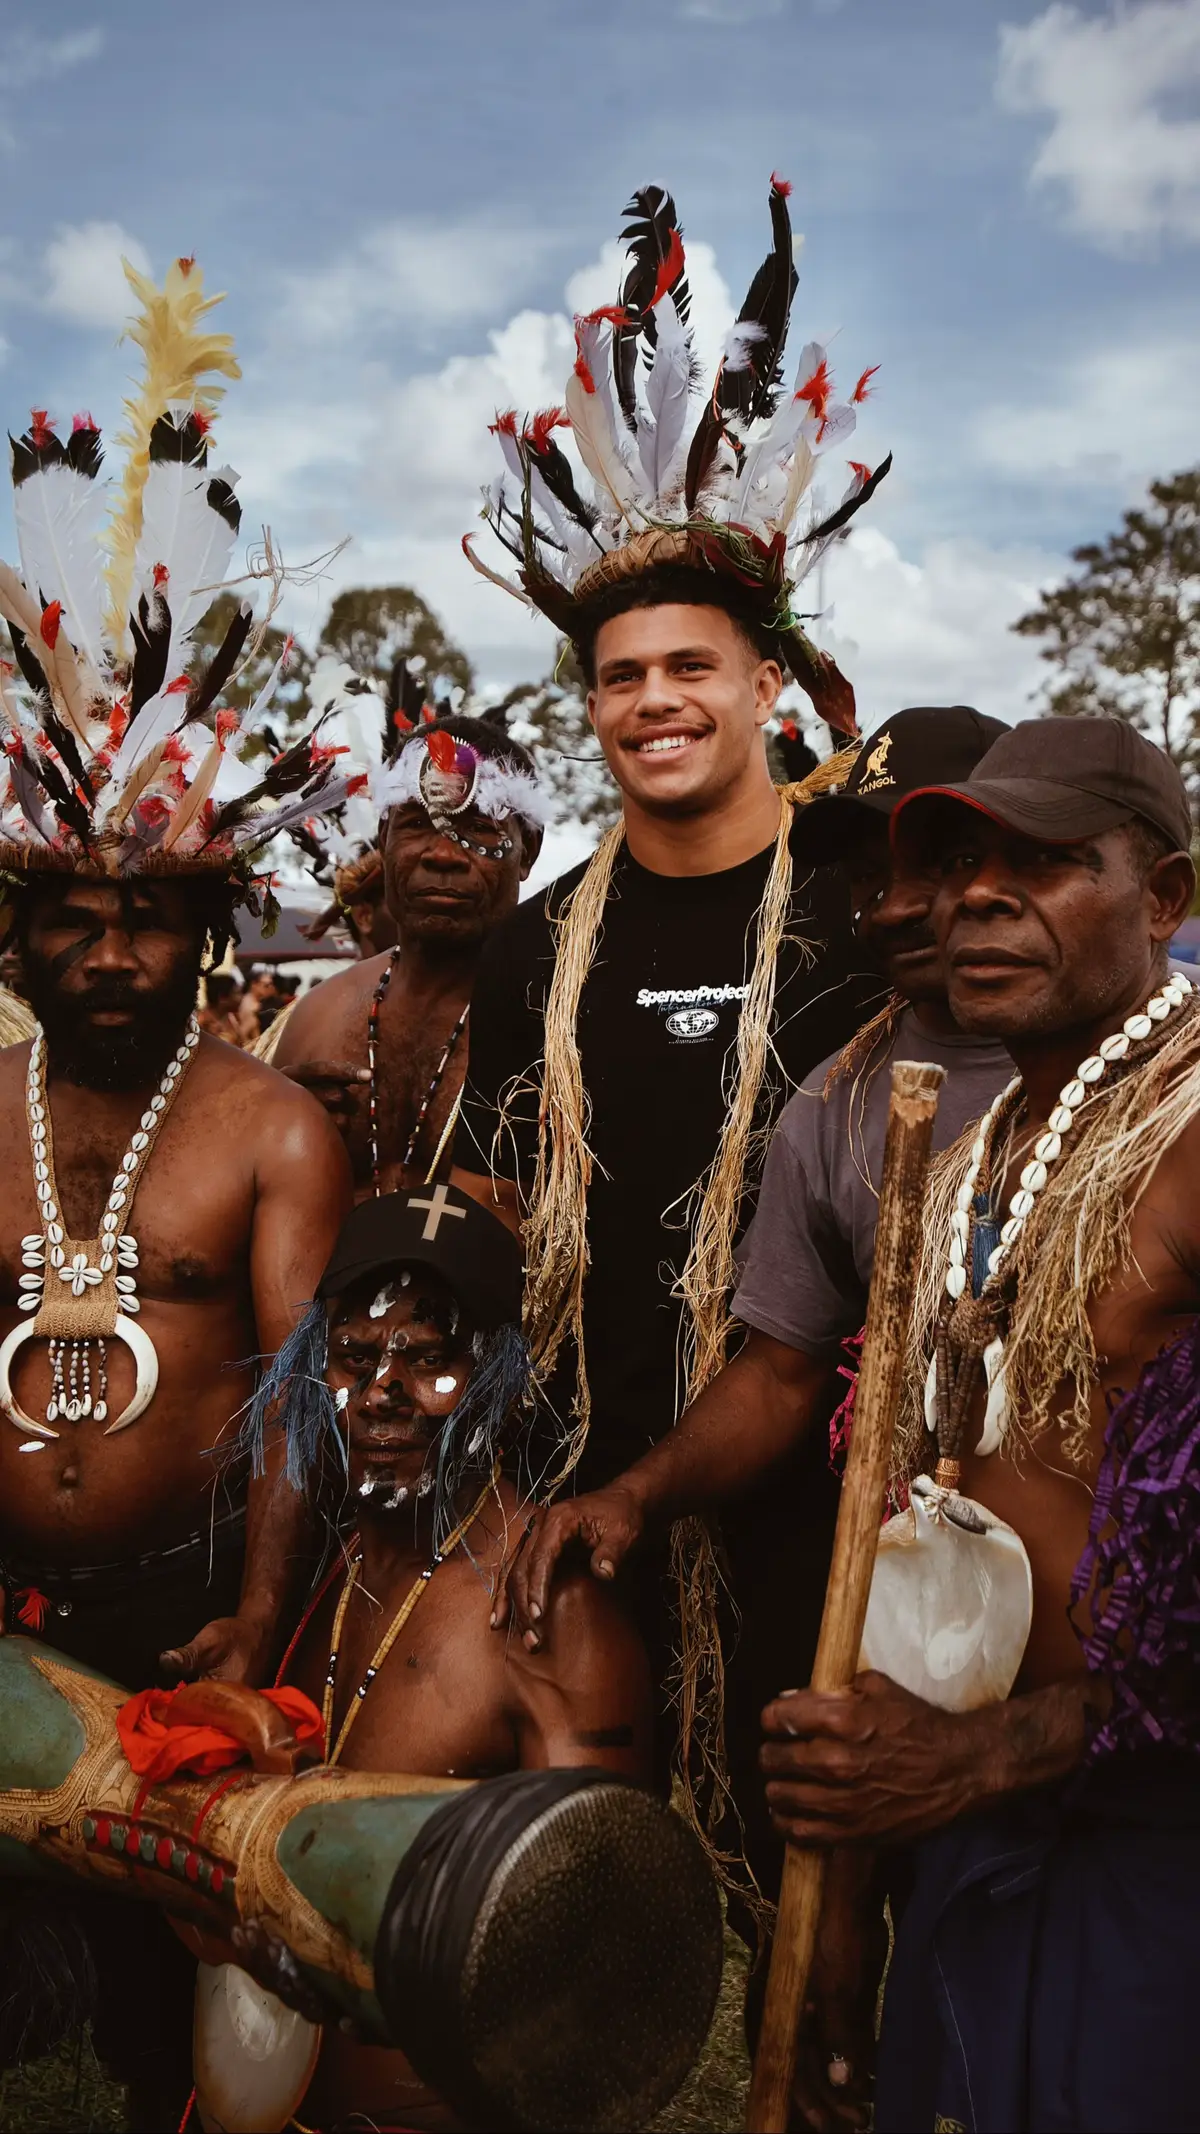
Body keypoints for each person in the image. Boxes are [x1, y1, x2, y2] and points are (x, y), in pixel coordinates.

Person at [452, 176, 889, 1901]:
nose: (655, 702)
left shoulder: (868, 912)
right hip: (596, 1464)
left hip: (835, 1479)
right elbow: (498, 1201)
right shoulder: (537, 948)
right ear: (590, 707)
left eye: (691, 666)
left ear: (766, 683)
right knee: (601, 1894)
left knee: (827, 1901)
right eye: (622, 676)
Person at [0, 255, 358, 2124]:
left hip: (187, 1608)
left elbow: (294, 1385)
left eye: (149, 915)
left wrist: (261, 1616)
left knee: (180, 2013)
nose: (113, 951)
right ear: (30, 930)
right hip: (7, 1602)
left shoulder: (272, 1124)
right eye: (78, 915)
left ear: (204, 929)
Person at [495, 705, 1014, 1980]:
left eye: (936, 862)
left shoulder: (1157, 1078)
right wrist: (632, 1495)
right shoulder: (835, 1106)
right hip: (891, 1594)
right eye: (868, 868)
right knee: (836, 1956)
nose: (895, 904)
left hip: (1113, 1651)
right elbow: (784, 1368)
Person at [760, 716, 1200, 2134]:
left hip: (1155, 1845)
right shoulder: (963, 1162)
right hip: (977, 1827)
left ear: (1169, 897)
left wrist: (987, 1755)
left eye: (1051, 861)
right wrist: (844, 1884)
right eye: (958, 864)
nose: (977, 898)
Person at [232, 1184, 651, 2131]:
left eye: (428, 1358)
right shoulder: (337, 1570)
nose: (384, 1390)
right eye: (355, 1356)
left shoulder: (551, 1615)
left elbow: (596, 1965)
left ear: (497, 1375)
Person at [271, 710, 547, 1198]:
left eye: (479, 827)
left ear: (528, 851)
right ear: (384, 838)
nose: (442, 853)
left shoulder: (566, 1027)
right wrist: (271, 1129)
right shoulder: (317, 1020)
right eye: (418, 823)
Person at [236, 964, 278, 1047]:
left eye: (271, 984)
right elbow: (242, 1035)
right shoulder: (251, 1006)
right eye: (266, 985)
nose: (270, 988)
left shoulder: (254, 1002)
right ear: (254, 984)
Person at [199, 967, 244, 1044]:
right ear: (223, 998)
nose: (241, 997)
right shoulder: (201, 1023)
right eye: (237, 993)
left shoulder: (232, 1018)